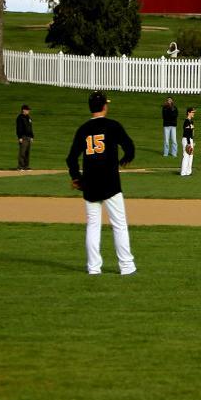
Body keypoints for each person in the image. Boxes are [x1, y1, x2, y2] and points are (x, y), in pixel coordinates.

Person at [66, 91, 137, 276]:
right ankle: (127, 267)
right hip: (110, 182)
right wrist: (124, 159)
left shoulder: (83, 129)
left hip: (90, 183)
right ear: (105, 106)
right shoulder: (113, 126)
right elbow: (130, 147)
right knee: (119, 225)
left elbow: (71, 158)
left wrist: (76, 179)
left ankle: (94, 268)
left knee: (93, 225)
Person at [16, 104, 34, 171]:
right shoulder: (20, 118)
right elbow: (18, 128)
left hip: (29, 137)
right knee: (22, 152)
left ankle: (26, 166)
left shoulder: (28, 117)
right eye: (27, 110)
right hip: (23, 137)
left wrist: (32, 136)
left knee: (27, 153)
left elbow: (30, 128)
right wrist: (20, 137)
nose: (28, 111)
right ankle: (20, 166)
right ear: (23, 110)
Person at [180, 106, 197, 177]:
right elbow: (186, 132)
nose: (194, 113)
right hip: (186, 139)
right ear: (188, 113)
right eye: (192, 112)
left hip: (190, 139)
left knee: (191, 156)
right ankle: (183, 172)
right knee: (186, 156)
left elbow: (191, 132)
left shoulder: (191, 121)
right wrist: (189, 143)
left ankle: (188, 172)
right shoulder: (186, 121)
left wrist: (192, 141)